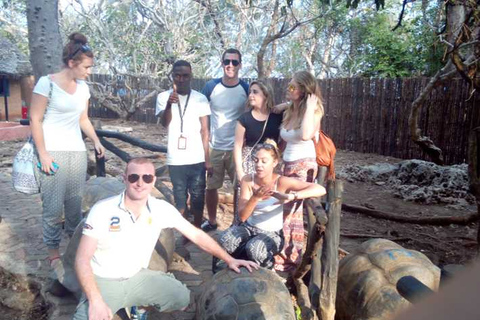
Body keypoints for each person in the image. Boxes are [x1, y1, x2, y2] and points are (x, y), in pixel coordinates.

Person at [73, 158, 258, 320]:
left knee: (182, 298)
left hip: (137, 276)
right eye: (133, 177)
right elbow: (82, 259)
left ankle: (138, 308)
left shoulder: (160, 208)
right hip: (106, 281)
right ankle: (96, 300)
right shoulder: (103, 209)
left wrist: (229, 259)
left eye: (146, 178)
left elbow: (196, 235)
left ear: (153, 181)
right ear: (125, 179)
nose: (140, 183)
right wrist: (96, 300)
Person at [29, 32, 105, 272]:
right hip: (52, 152)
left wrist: (95, 140)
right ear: (72, 63)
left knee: (74, 206)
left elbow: (83, 118)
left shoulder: (83, 89)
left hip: (76, 153)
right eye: (86, 67)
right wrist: (43, 154)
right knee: (52, 207)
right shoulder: (47, 83)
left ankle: (74, 252)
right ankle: (53, 253)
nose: (89, 71)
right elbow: (35, 118)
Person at [219, 140, 326, 269]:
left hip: (272, 234)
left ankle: (268, 273)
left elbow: (320, 189)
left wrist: (291, 196)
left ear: (274, 163)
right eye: (256, 160)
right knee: (226, 240)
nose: (259, 165)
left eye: (264, 161)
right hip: (249, 227)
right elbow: (242, 217)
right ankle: (226, 272)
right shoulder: (248, 180)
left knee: (255, 249)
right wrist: (255, 197)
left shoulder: (281, 182)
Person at [274, 71, 324, 272]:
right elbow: (284, 136)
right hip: (288, 165)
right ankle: (284, 254)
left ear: (304, 91)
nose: (289, 89)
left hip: (304, 164)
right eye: (289, 85)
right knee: (285, 211)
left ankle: (290, 258)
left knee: (292, 212)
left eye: (293, 87)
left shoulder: (314, 110)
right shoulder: (290, 109)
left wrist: (310, 107)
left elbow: (304, 135)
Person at [156, 60, 210, 228]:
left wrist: (207, 160)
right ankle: (185, 229)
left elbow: (205, 130)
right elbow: (165, 123)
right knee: (179, 196)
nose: (181, 79)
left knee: (198, 196)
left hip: (197, 157)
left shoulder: (200, 98)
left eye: (185, 76)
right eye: (177, 75)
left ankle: (197, 228)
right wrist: (169, 106)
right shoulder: (163, 97)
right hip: (176, 157)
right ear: (172, 76)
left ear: (191, 76)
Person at [201, 48, 249, 232]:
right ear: (222, 63)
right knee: (211, 187)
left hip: (236, 147)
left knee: (240, 186)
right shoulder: (210, 87)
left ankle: (238, 223)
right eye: (227, 61)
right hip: (214, 146)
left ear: (240, 65)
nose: (230, 65)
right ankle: (212, 221)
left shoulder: (245, 88)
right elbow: (200, 115)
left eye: (234, 62)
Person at [233, 80, 283, 222]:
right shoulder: (245, 118)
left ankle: (265, 226)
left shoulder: (277, 116)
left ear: (266, 95)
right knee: (245, 199)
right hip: (250, 162)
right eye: (250, 92)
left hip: (269, 163)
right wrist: (240, 171)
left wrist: (285, 105)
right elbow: (237, 146)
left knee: (268, 197)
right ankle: (240, 228)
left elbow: (297, 105)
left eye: (255, 92)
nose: (251, 95)